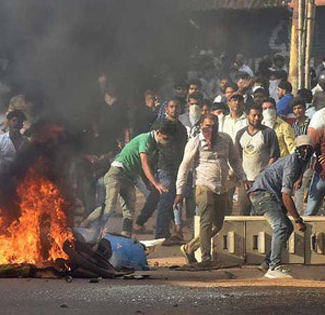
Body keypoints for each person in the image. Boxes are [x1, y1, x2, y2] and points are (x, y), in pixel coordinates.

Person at [176, 113, 248, 264]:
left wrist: (243, 178)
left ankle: (190, 247)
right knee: (206, 221)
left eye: (214, 126)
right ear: (201, 126)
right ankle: (205, 257)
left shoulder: (225, 139)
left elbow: (234, 161)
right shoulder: (195, 142)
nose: (211, 129)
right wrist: (179, 192)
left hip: (222, 186)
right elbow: (184, 166)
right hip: (204, 185)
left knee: (218, 225)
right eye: (207, 126)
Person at [85, 121, 175, 238]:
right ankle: (88, 225)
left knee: (129, 210)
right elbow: (144, 164)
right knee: (110, 206)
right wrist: (156, 184)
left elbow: (140, 166)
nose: (166, 141)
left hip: (129, 177)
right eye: (165, 138)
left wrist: (148, 184)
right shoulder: (146, 139)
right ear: (158, 132)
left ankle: (126, 236)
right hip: (117, 173)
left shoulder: (154, 145)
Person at [247, 135, 313, 279]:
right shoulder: (292, 162)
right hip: (262, 194)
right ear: (296, 149)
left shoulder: (302, 163)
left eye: (309, 148)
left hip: (267, 194)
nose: (306, 151)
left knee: (286, 227)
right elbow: (286, 195)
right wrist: (298, 219)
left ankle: (267, 262)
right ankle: (274, 267)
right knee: (281, 226)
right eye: (303, 148)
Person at [136, 99, 188, 241]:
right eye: (171, 106)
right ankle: (161, 234)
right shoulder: (159, 126)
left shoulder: (182, 129)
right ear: (166, 109)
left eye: (177, 106)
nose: (174, 109)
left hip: (178, 168)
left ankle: (169, 229)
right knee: (166, 201)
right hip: (163, 168)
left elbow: (184, 149)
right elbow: (151, 150)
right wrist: (150, 173)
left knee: (165, 198)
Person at [234, 105, 280, 216]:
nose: (256, 118)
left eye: (259, 115)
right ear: (247, 116)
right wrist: (241, 178)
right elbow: (237, 157)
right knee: (242, 211)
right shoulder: (241, 134)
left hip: (262, 182)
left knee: (262, 212)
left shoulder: (268, 133)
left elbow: (274, 156)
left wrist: (264, 175)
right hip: (246, 181)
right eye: (253, 115)